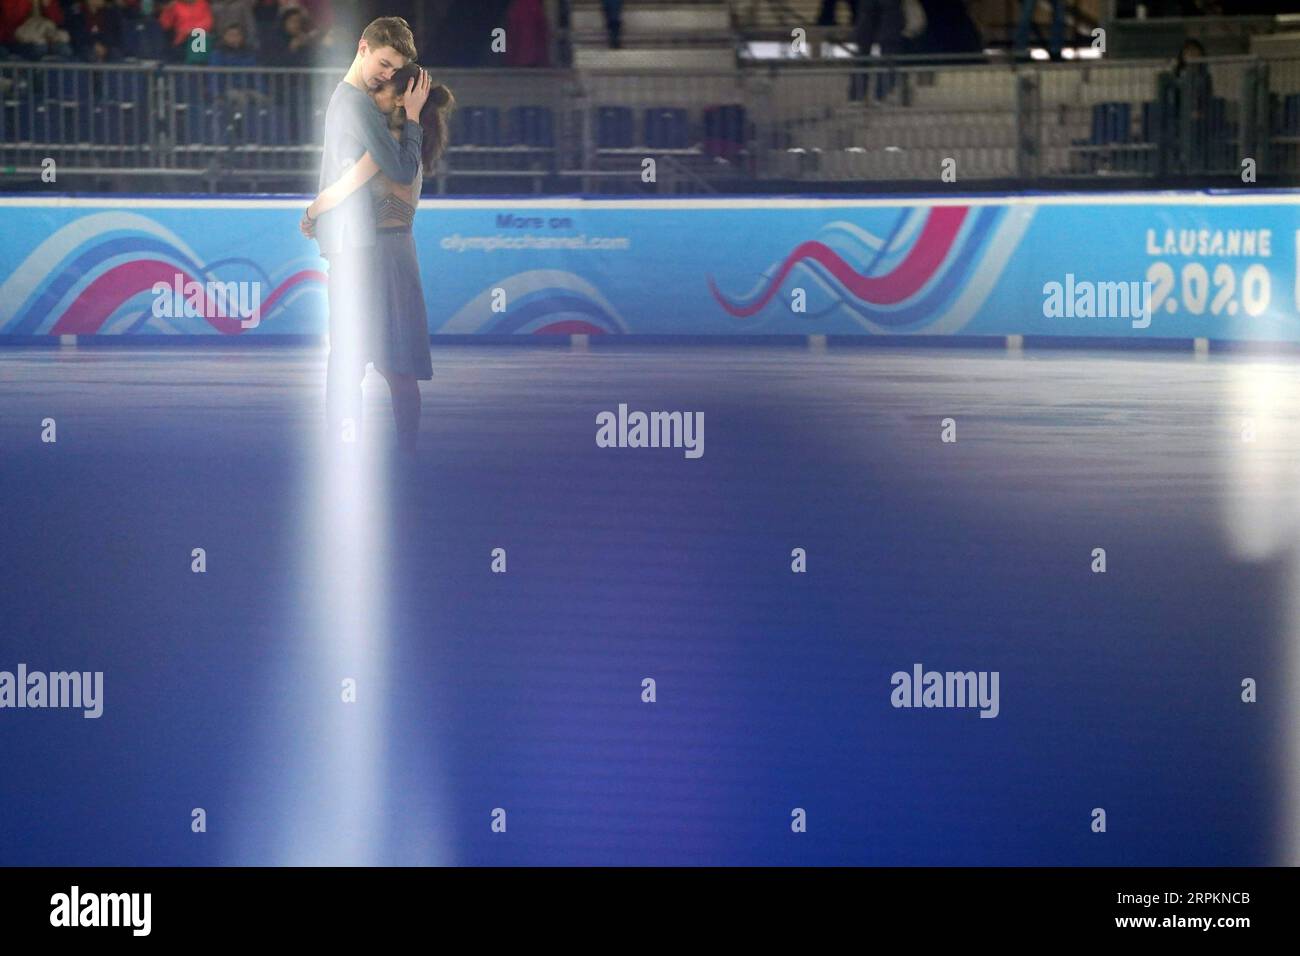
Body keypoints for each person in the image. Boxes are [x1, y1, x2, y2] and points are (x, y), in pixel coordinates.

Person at [302, 64, 454, 455]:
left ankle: (343, 450)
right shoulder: (408, 142)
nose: (374, 95)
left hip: (371, 257)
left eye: (383, 89)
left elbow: (340, 189)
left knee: (352, 364)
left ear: (402, 99)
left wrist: (311, 213)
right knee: (396, 367)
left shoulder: (390, 143)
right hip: (395, 255)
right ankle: (407, 452)